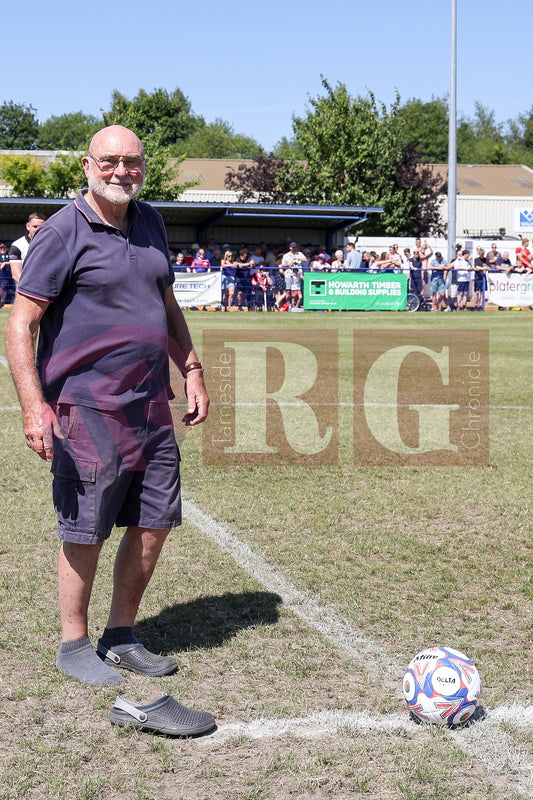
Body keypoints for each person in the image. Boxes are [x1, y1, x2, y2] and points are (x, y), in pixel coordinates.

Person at [5, 126, 210, 689]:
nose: (121, 172)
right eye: (110, 162)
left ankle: (120, 635)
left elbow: (165, 300)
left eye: (132, 162)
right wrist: (33, 406)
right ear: (88, 164)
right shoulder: (62, 232)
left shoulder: (150, 221)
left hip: (150, 404)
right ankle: (74, 643)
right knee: (86, 528)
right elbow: (21, 323)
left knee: (153, 522)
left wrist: (190, 368)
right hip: (85, 408)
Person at [9, 212, 46, 283]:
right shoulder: (18, 245)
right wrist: (31, 290)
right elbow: (16, 275)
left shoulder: (51, 244)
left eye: (41, 227)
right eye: (35, 226)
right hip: (25, 291)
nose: (38, 230)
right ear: (28, 226)